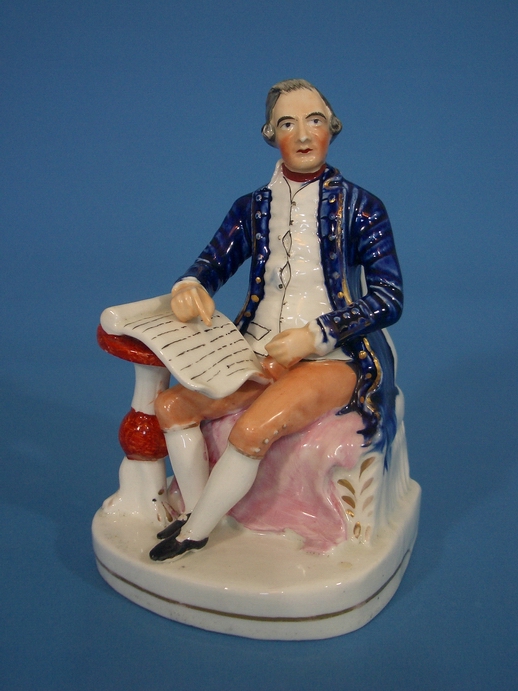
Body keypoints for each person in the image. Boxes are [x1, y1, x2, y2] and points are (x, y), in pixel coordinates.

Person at [149, 79, 403, 561]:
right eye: (288, 123)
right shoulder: (252, 208)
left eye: (314, 121)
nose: (303, 135)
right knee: (172, 407)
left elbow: (388, 298)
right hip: (257, 350)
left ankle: (194, 532)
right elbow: (212, 262)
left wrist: (317, 334)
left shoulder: (362, 208)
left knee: (250, 431)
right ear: (271, 134)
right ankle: (199, 510)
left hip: (332, 358)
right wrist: (190, 285)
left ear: (332, 128)